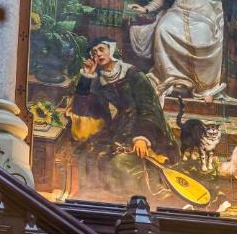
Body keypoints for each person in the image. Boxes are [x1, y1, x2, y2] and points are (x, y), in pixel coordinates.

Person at [69, 38, 179, 196]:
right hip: (120, 125)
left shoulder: (133, 74)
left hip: (146, 125)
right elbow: (84, 108)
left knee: (122, 163)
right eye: (94, 52)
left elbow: (149, 106)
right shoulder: (99, 79)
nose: (98, 54)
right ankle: (100, 196)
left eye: (101, 49)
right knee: (89, 153)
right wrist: (87, 76)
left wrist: (142, 137)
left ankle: (152, 193)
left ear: (111, 50)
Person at [128, 0, 224, 99]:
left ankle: (201, 83)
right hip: (178, 8)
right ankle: (174, 78)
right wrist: (144, 9)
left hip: (198, 7)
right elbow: (158, 0)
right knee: (163, 29)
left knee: (201, 33)